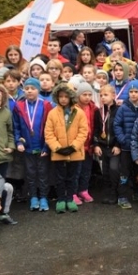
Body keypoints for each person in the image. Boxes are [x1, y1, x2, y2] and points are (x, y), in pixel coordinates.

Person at [45, 83, 89, 214]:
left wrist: (73, 147)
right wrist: (57, 148)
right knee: (60, 177)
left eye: (66, 96)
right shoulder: (52, 113)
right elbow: (49, 133)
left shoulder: (79, 113)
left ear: (71, 97)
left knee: (73, 176)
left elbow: (83, 132)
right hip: (59, 152)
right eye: (60, 96)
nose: (63, 99)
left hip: (75, 152)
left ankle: (70, 198)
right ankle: (61, 199)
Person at [13, 78, 51, 211]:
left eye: (33, 88)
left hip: (42, 147)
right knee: (30, 173)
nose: (29, 91)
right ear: (23, 89)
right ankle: (33, 197)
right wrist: (18, 141)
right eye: (27, 88)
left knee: (43, 173)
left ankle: (44, 197)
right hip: (27, 147)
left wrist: (47, 146)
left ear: (38, 90)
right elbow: (16, 126)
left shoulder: (46, 105)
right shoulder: (19, 106)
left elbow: (49, 127)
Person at [113, 80, 138, 209]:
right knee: (124, 172)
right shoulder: (123, 108)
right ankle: (122, 196)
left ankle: (137, 192)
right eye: (131, 92)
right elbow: (117, 125)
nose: (133, 94)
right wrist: (123, 139)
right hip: (126, 147)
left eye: (136, 92)